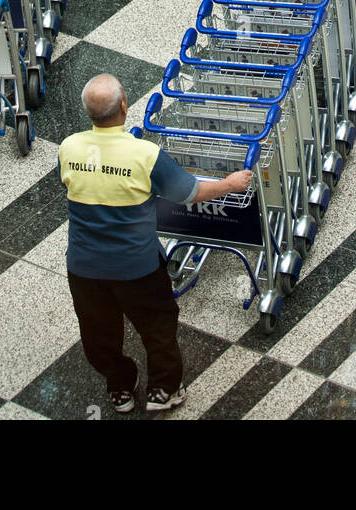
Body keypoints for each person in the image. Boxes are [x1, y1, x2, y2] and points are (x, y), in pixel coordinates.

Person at [59, 74, 251, 415]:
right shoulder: (144, 154)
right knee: (158, 326)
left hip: (84, 268)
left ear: (88, 111)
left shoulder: (69, 148)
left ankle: (120, 384)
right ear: (124, 106)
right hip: (137, 267)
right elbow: (191, 193)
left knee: (98, 334)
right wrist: (230, 183)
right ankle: (163, 389)